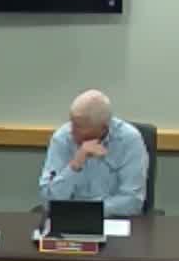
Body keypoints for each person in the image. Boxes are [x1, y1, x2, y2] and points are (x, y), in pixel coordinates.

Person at [37, 89, 148, 217]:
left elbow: (132, 202)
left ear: (104, 128)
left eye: (79, 127)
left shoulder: (129, 140)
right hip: (68, 219)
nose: (72, 131)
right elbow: (48, 201)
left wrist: (89, 211)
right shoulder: (62, 138)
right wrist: (75, 165)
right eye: (72, 123)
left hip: (113, 220)